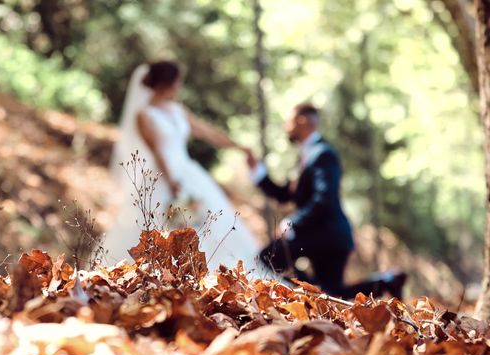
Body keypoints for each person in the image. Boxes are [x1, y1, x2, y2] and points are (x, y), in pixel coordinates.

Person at [103, 61, 263, 272]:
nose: (179, 85)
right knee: (167, 227)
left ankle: (210, 270)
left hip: (188, 171)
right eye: (177, 80)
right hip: (163, 177)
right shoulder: (144, 115)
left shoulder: (178, 110)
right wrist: (172, 182)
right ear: (167, 83)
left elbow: (207, 132)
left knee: (209, 222)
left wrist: (241, 147)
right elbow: (158, 151)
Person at [249, 102, 406, 299]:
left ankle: (301, 293)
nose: (285, 126)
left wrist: (293, 222)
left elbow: (324, 200)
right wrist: (258, 173)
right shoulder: (307, 155)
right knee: (332, 294)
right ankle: (386, 281)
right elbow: (285, 195)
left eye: (288, 121)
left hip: (328, 236)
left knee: (268, 258)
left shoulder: (323, 154)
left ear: (302, 121)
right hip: (325, 236)